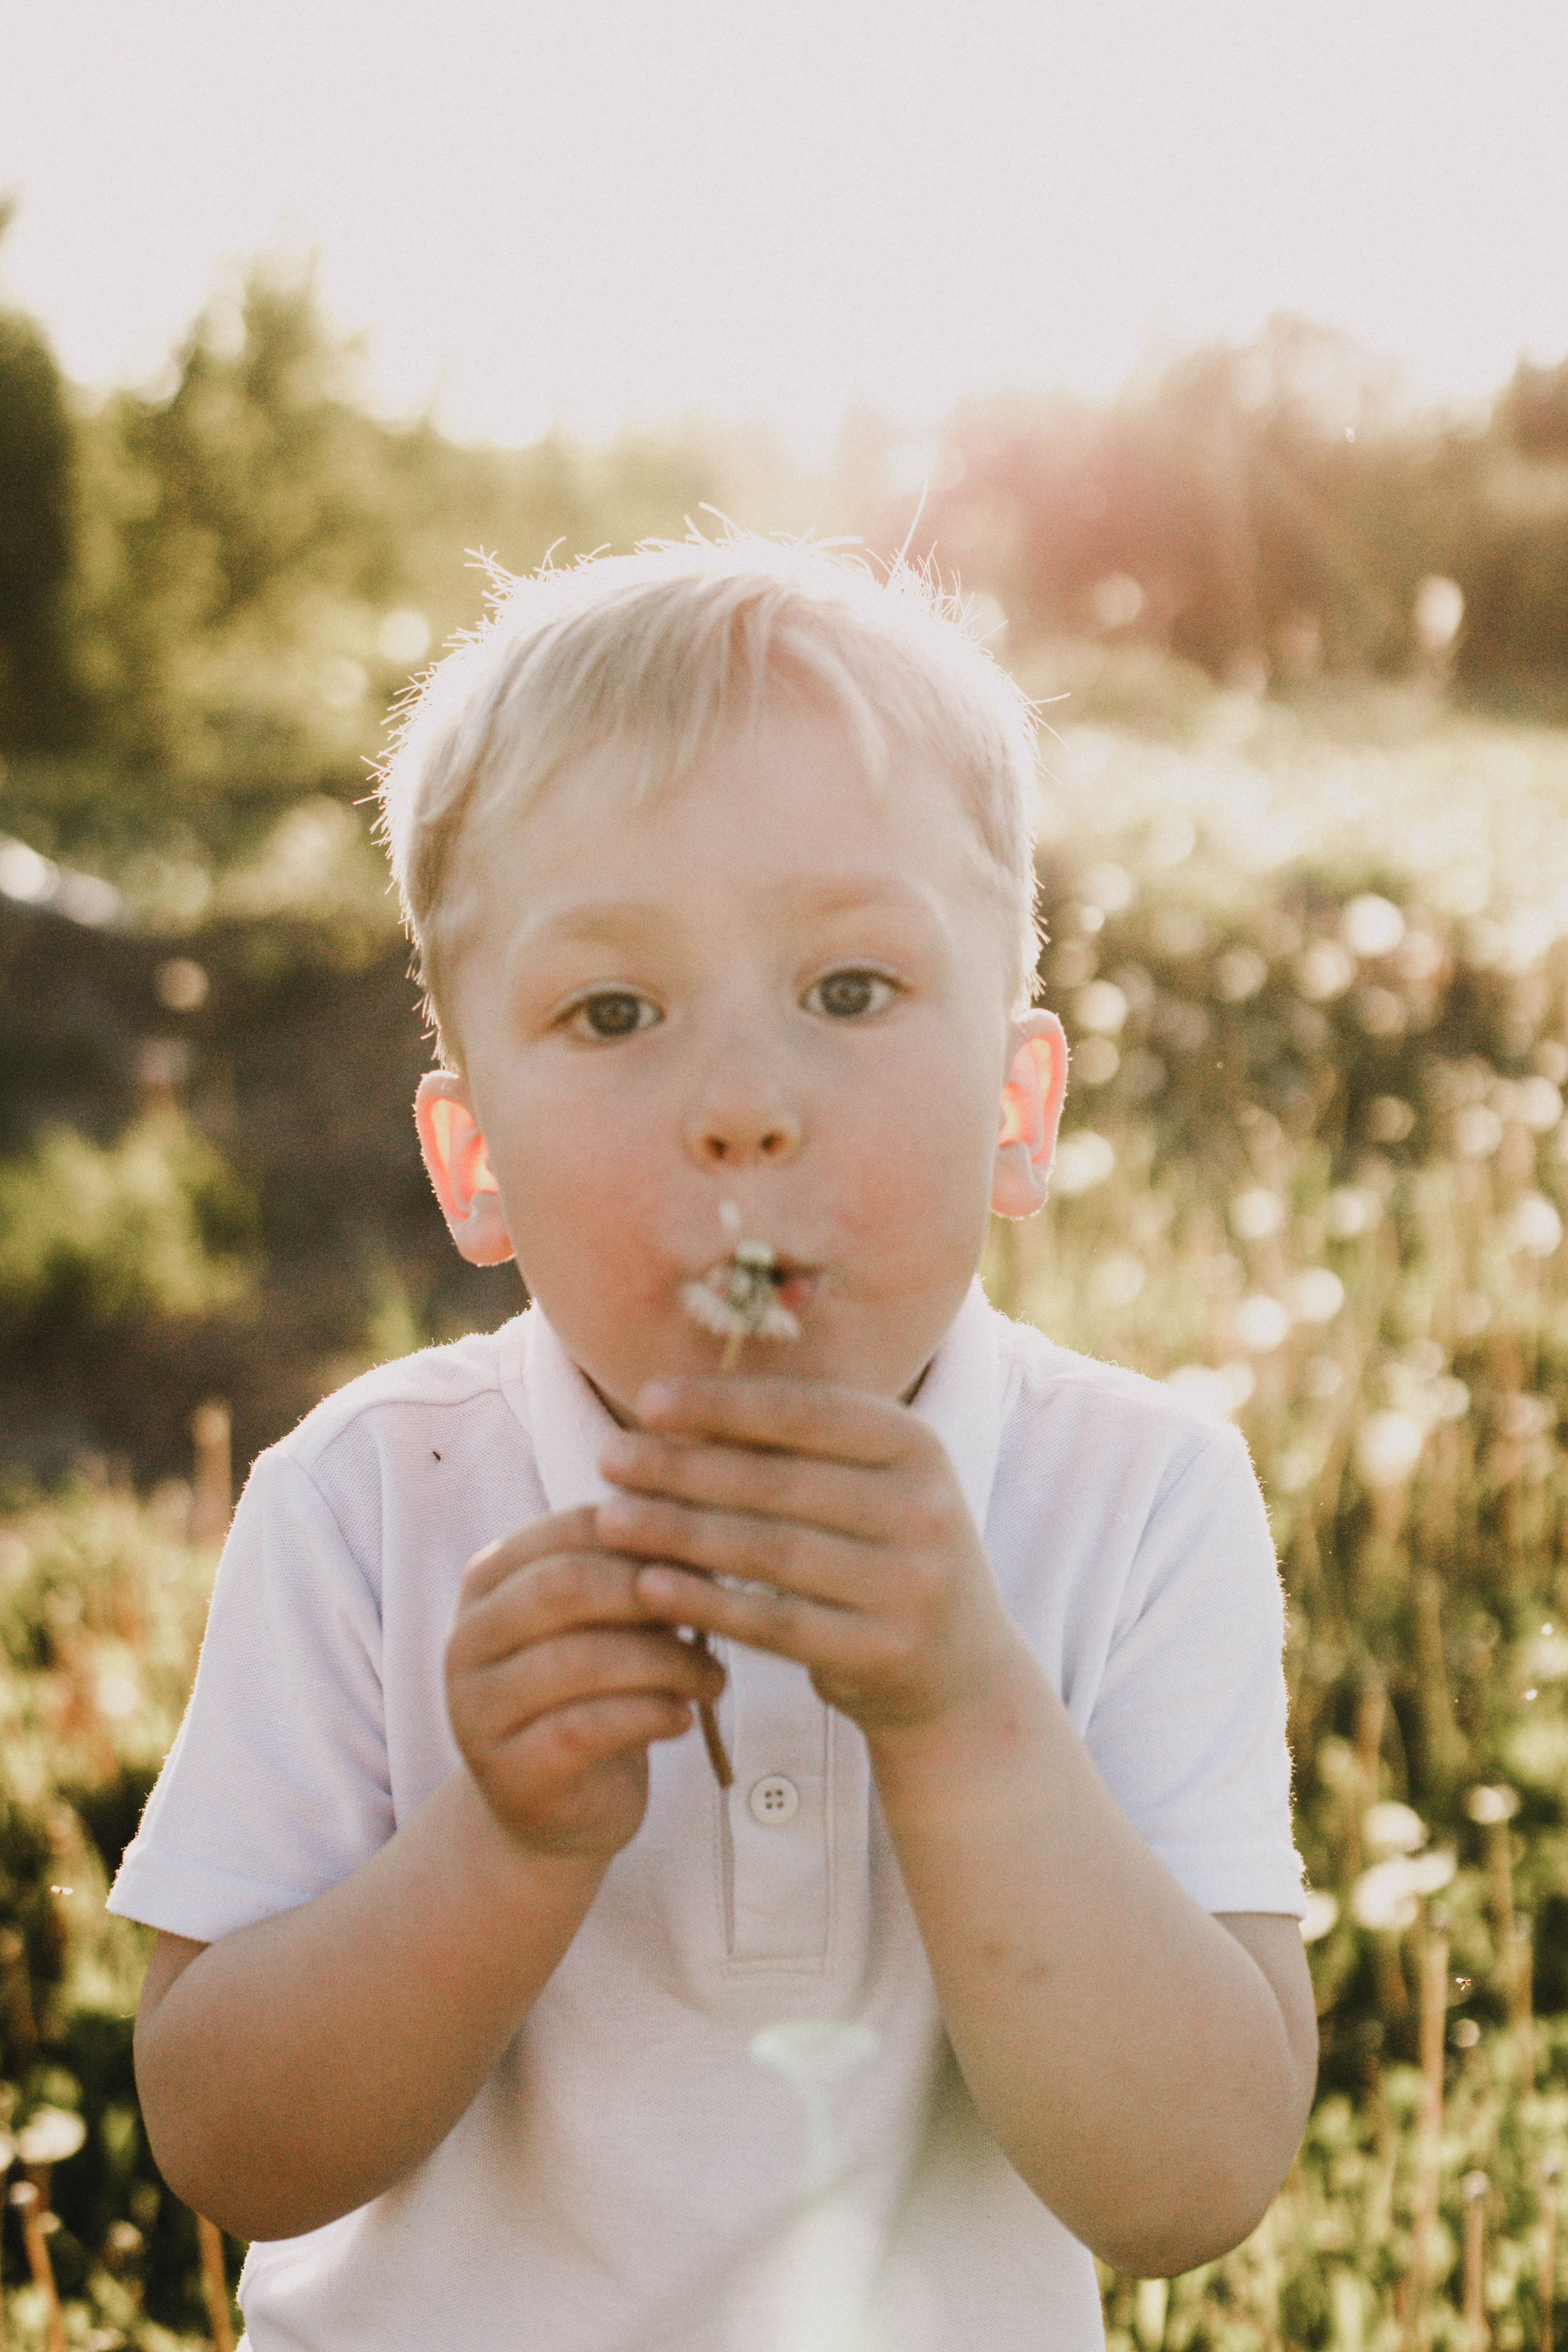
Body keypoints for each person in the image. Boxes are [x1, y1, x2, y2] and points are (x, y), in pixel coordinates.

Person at [112, 534, 1315, 2352]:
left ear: (1018, 1102)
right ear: (472, 1164)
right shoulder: (370, 1505)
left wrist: (967, 1711)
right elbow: (227, 2143)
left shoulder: (1133, 1498)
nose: (744, 1110)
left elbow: (1192, 2183)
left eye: (848, 992)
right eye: (615, 1012)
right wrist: (501, 1844)